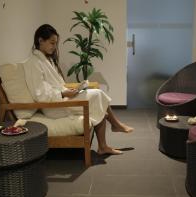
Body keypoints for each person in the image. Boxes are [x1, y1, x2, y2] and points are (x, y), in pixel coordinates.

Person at [24, 24, 134, 155]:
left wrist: (71, 90)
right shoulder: (33, 63)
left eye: (55, 43)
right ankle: (113, 129)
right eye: (52, 43)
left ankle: (106, 142)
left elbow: (53, 86)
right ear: (40, 40)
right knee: (98, 95)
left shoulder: (45, 61)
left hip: (61, 98)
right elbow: (40, 94)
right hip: (53, 106)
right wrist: (63, 92)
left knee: (98, 101)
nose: (54, 47)